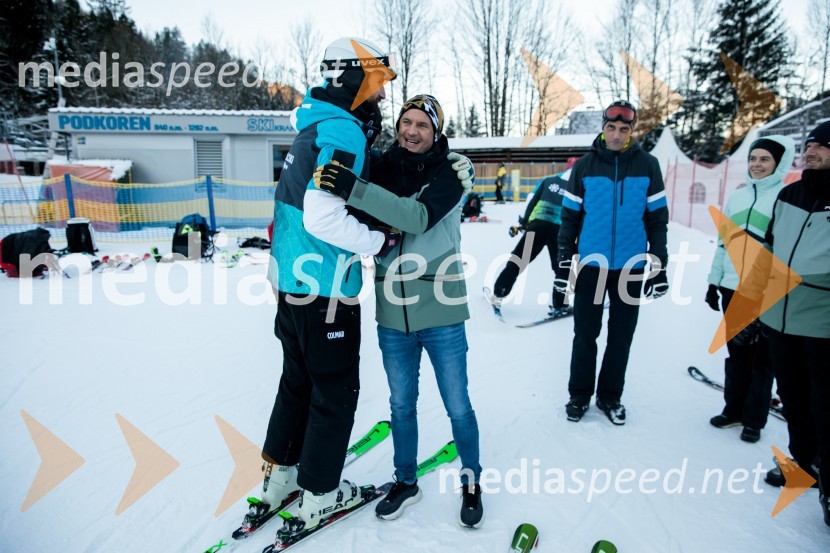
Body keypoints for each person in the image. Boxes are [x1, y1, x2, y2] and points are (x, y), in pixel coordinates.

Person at [314, 94, 483, 527]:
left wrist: (355, 188)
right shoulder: (383, 168)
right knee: (401, 405)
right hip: (393, 311)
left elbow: (417, 217)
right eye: (406, 121)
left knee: (458, 405)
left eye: (422, 125)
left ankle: (471, 482)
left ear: (436, 133)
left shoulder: (451, 173)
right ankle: (405, 481)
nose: (411, 130)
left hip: (441, 309)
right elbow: (348, 207)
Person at [255, 37, 400, 532]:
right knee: (334, 390)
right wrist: (376, 241)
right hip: (325, 288)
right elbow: (322, 214)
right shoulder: (343, 131)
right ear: (354, 79)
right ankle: (320, 492)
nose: (381, 97)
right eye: (377, 84)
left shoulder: (314, 125)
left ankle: (280, 477)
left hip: (290, 282)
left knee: (297, 382)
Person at [555, 100, 669, 425]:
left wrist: (659, 263)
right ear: (603, 128)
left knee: (621, 336)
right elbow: (570, 216)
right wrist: (565, 255)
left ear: (632, 131)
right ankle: (579, 396)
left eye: (624, 129)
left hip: (631, 267)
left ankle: (610, 397)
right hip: (592, 265)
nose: (617, 135)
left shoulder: (648, 165)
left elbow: (658, 219)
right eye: (611, 128)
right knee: (585, 333)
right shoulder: (585, 166)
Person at [740, 121, 830, 527]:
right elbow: (770, 252)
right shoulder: (790, 194)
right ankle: (804, 464)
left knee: (825, 404)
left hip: (822, 320)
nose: (810, 152)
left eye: (820, 146)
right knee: (792, 396)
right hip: (779, 317)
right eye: (809, 145)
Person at [705, 135, 794, 443]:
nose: (757, 165)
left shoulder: (786, 198)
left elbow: (786, 252)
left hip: (766, 291)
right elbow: (722, 243)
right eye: (753, 159)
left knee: (762, 357)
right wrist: (714, 282)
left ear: (779, 163)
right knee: (737, 352)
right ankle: (733, 410)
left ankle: (754, 419)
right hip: (732, 287)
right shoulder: (738, 197)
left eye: (764, 159)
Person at [488, 157, 579, 316]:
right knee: (561, 268)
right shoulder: (578, 189)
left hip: (537, 226)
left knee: (518, 260)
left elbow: (532, 200)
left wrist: (524, 222)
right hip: (560, 232)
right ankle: (560, 304)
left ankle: (498, 293)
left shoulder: (548, 180)